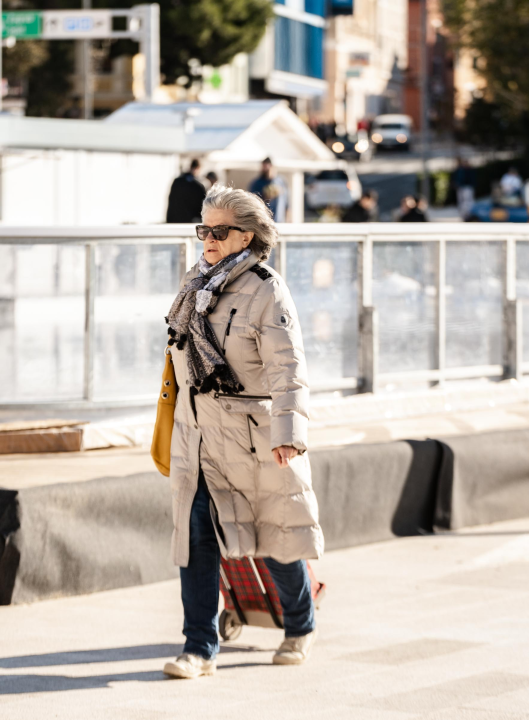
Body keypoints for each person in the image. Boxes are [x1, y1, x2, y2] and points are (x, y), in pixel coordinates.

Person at [162, 184, 323, 679]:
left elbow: (288, 366)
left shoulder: (266, 288)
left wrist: (288, 431)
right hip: (196, 436)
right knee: (196, 541)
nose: (207, 238)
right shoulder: (195, 282)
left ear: (247, 236)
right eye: (203, 228)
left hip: (251, 438)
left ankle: (299, 626)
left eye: (219, 230)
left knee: (276, 538)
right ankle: (198, 648)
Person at [248, 157, 288, 222]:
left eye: (268, 167)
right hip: (264, 221)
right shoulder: (256, 183)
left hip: (279, 220)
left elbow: (286, 202)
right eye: (264, 167)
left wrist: (288, 217)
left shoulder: (281, 182)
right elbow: (252, 202)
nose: (266, 170)